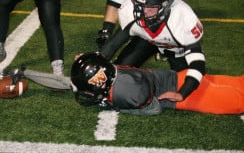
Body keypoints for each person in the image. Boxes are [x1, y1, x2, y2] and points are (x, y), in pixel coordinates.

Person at [99, 0, 206, 102]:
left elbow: (198, 63)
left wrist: (182, 93)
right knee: (119, 72)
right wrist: (96, 61)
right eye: (140, 5)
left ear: (166, 5)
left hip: (175, 49)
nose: (143, 12)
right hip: (146, 41)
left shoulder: (182, 17)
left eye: (150, 8)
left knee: (190, 87)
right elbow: (113, 43)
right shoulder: (132, 10)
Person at [70, 52, 244, 115]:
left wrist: (116, 106)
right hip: (182, 77)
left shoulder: (124, 91)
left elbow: (154, 108)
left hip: (187, 95)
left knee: (239, 101)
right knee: (239, 83)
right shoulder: (114, 72)